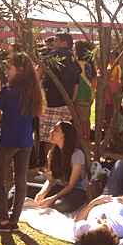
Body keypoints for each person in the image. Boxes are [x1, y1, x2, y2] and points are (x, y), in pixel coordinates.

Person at [0, 52, 44, 232]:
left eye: (9, 68)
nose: (6, 72)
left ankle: (2, 219)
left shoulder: (7, 91)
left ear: (20, 70)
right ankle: (14, 219)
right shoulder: (34, 91)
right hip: (26, 140)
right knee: (20, 180)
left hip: (8, 140)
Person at [38, 33, 81, 161]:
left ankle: (49, 168)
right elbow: (76, 83)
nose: (54, 43)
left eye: (56, 40)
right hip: (66, 103)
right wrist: (71, 100)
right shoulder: (73, 59)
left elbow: (38, 73)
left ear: (64, 42)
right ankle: (59, 167)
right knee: (62, 138)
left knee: (49, 137)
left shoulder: (52, 56)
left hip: (51, 103)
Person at [29, 121, 88, 213]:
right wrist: (42, 193)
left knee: (61, 205)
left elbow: (71, 185)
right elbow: (51, 180)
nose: (51, 131)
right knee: (20, 189)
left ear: (65, 135)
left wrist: (52, 198)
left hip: (76, 190)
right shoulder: (51, 153)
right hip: (59, 187)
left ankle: (50, 203)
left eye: (55, 130)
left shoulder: (77, 154)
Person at [73, 40, 96, 140]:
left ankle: (82, 141)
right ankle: (86, 139)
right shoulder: (90, 64)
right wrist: (92, 94)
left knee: (80, 120)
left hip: (79, 94)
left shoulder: (77, 64)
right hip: (88, 94)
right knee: (86, 119)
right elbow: (94, 80)